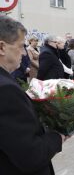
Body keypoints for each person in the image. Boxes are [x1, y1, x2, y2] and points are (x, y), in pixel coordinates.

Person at [0, 15, 65, 175]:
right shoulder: (6, 89)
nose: (23, 53)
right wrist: (59, 136)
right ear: (2, 47)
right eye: (21, 46)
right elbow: (31, 155)